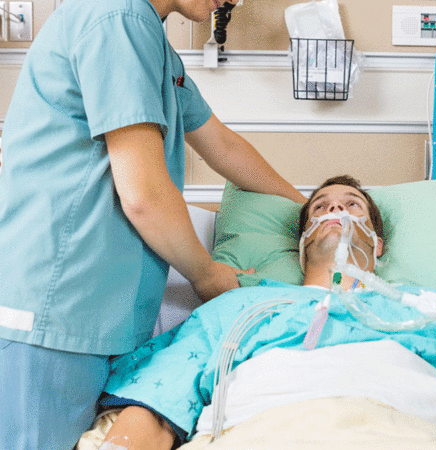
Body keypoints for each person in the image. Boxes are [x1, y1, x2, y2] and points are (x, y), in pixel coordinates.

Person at [0, 0, 305, 449]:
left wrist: (308, 209)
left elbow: (222, 146)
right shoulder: (116, 18)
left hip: (98, 316)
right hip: (55, 308)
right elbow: (143, 194)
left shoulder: (151, 42)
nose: (232, 1)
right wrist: (207, 274)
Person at [93, 175, 436, 450]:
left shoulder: (428, 313)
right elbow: (155, 411)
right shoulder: (237, 310)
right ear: (302, 245)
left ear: (377, 246)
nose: (335, 210)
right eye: (320, 207)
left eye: (351, 205)